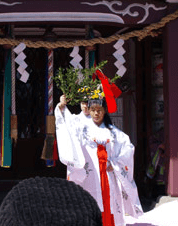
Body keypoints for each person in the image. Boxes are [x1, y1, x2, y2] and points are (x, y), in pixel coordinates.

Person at [55, 96, 143, 226]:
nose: (96, 113)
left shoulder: (113, 132)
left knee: (109, 204)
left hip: (108, 175)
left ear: (105, 111)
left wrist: (116, 163)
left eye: (99, 110)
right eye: (93, 110)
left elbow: (128, 148)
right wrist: (61, 108)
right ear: (89, 111)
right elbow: (67, 128)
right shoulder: (80, 128)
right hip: (89, 175)